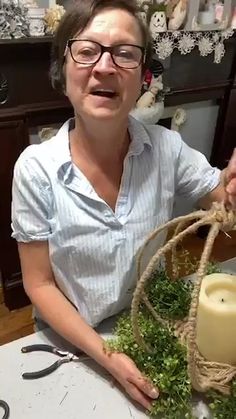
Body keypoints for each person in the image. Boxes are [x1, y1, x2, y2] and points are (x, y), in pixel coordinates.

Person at [11, 0, 236, 412]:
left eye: (125, 53)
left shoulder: (167, 150)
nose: (105, 66)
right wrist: (108, 357)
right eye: (87, 50)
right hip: (72, 341)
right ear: (64, 72)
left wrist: (233, 185)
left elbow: (223, 200)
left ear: (143, 77)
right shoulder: (35, 170)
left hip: (148, 320)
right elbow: (39, 284)